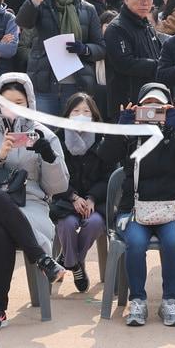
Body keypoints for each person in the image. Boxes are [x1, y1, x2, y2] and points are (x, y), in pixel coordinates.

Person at [0, 72, 71, 330]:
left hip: (30, 205)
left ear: (29, 102)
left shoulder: (44, 135)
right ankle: (43, 259)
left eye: (19, 102)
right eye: (6, 102)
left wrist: (49, 157)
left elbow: (58, 187)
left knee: (2, 232)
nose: (12, 108)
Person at [98, 82, 175, 327]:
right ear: (137, 107)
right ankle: (137, 300)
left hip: (172, 208)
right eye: (147, 106)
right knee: (135, 242)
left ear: (169, 108)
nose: (152, 111)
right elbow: (104, 156)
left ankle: (170, 301)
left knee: (174, 240)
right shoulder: (131, 133)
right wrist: (121, 128)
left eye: (158, 107)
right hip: (134, 209)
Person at [16, 0, 105, 116]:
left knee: (72, 134)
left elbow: (100, 48)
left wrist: (84, 49)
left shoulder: (88, 9)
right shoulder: (41, 4)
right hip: (44, 82)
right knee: (46, 132)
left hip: (76, 84)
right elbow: (23, 21)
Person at [52, 92, 110, 292]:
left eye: (86, 111)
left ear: (94, 116)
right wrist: (73, 197)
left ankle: (67, 258)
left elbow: (109, 175)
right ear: (67, 115)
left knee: (95, 223)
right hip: (66, 200)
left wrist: (92, 198)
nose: (81, 115)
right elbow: (53, 175)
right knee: (67, 224)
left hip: (95, 201)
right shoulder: (56, 139)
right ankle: (76, 265)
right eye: (75, 111)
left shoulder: (104, 139)